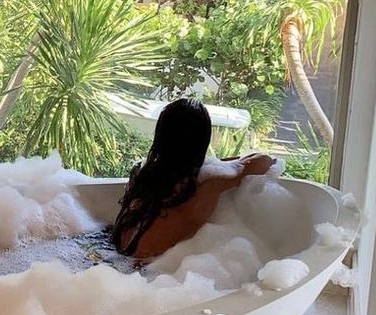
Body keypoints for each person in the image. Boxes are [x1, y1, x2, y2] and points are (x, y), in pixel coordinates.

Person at [111, 98, 274, 260]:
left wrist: (213, 164)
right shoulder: (208, 184)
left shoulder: (141, 173)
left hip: (116, 256)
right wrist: (217, 164)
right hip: (147, 271)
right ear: (203, 141)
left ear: (160, 136)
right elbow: (263, 161)